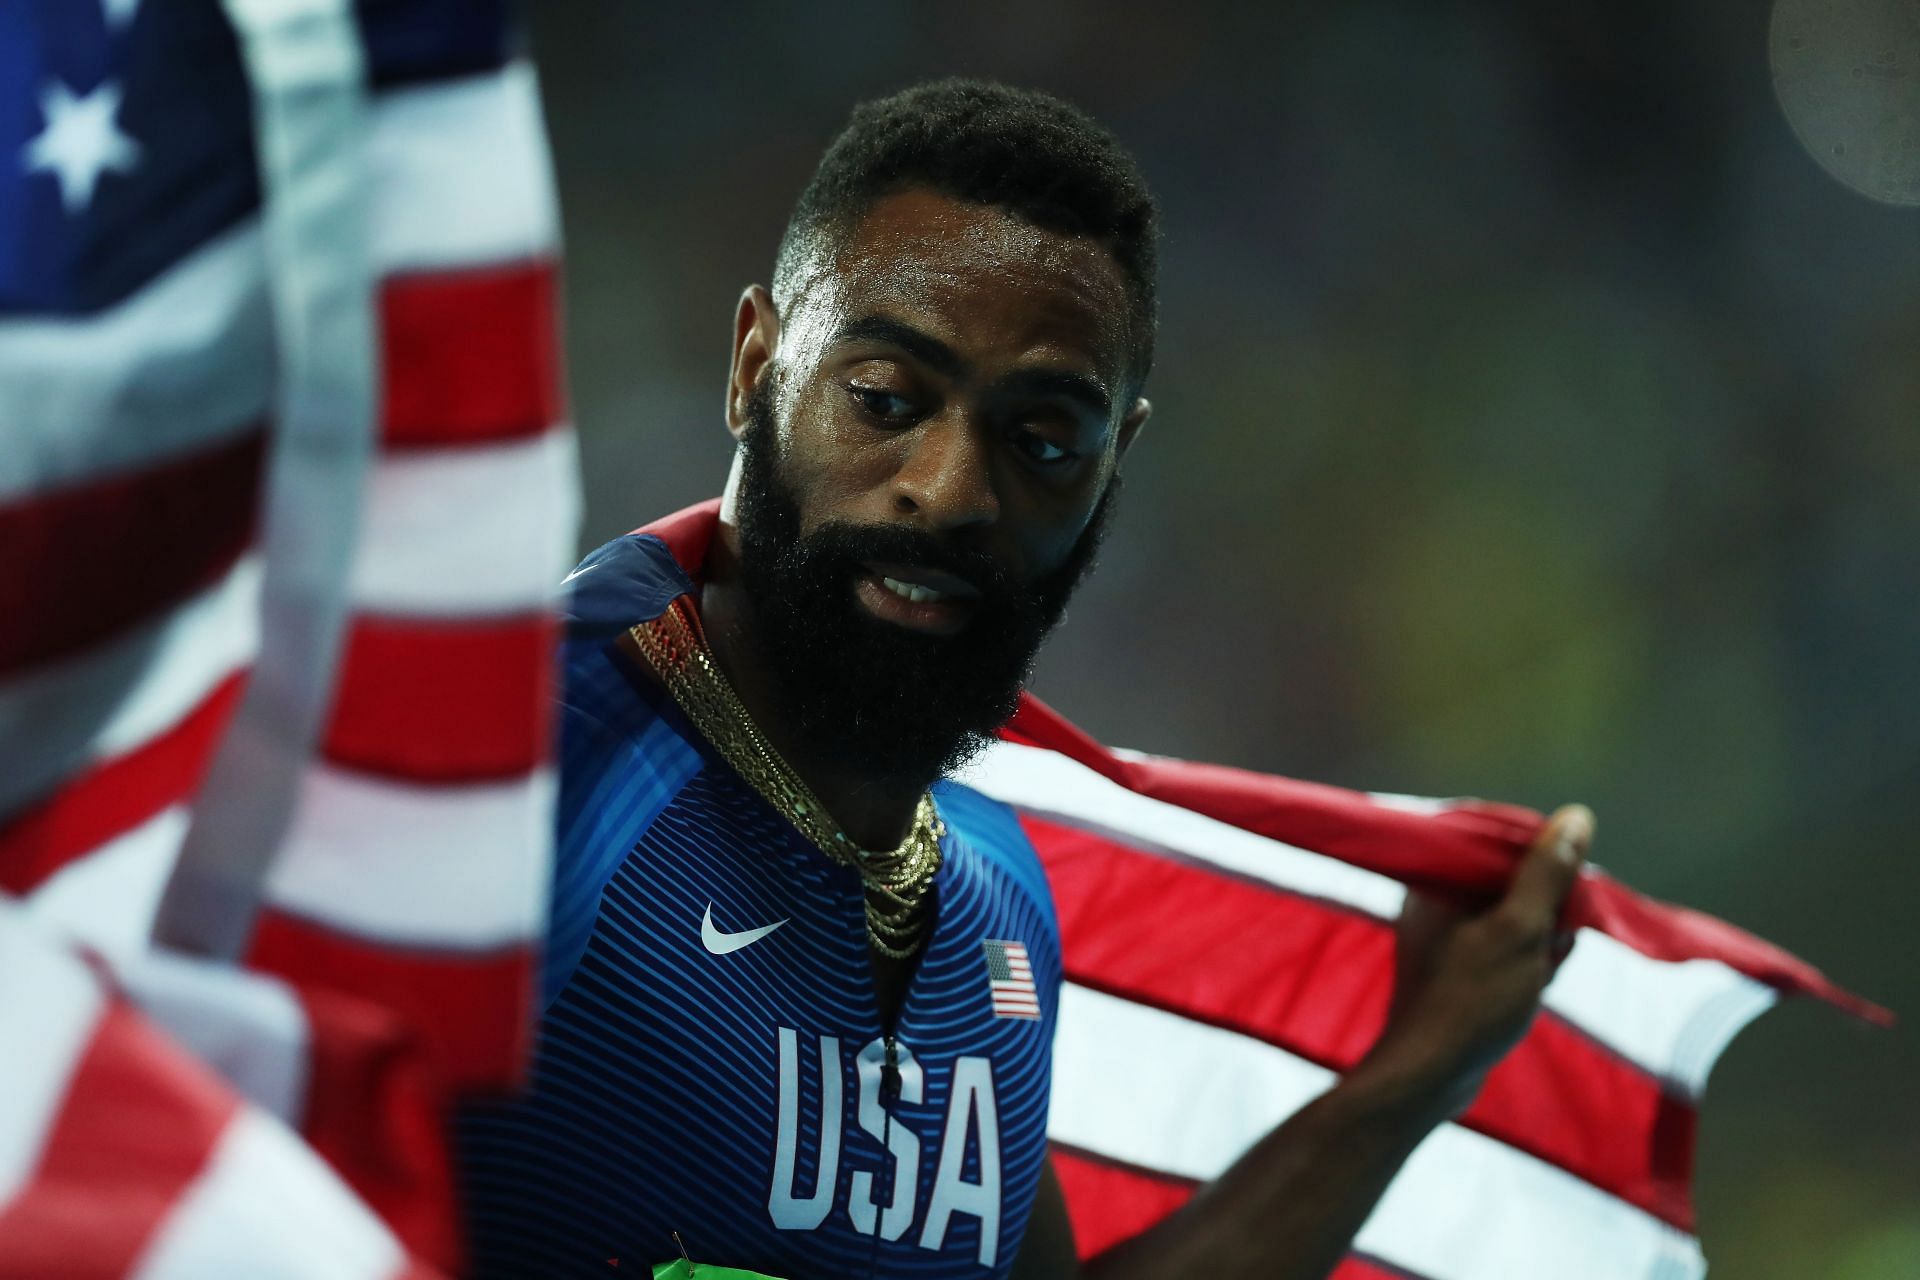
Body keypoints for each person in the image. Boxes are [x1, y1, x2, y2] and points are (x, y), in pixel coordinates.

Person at [455, 78, 1594, 1280]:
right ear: (755, 364)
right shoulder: (521, 773)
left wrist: (1420, 1070)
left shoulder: (996, 904)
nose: (950, 491)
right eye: (886, 400)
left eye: (1042, 441)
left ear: (1115, 463)